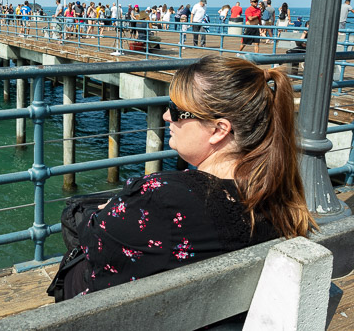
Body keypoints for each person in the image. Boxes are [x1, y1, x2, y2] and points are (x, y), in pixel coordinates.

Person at [57, 55, 316, 300]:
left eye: (176, 109)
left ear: (218, 130)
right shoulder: (279, 195)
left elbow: (95, 241)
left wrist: (113, 209)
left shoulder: (161, 199)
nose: (166, 116)